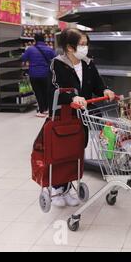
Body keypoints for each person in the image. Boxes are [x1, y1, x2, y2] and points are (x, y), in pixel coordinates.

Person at [49, 28, 115, 207]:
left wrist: (105, 90)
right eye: (82, 45)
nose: (85, 48)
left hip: (83, 116)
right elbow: (54, 89)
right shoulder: (57, 64)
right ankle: (56, 187)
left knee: (78, 150)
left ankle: (68, 186)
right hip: (64, 116)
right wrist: (71, 97)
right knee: (62, 151)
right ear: (70, 47)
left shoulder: (88, 63)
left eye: (86, 44)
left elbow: (97, 85)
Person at [21, 33, 56, 117]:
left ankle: (41, 110)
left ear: (35, 40)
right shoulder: (49, 49)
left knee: (38, 92)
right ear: (44, 40)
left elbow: (23, 59)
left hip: (34, 74)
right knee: (46, 92)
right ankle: (47, 109)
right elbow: (55, 59)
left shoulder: (30, 49)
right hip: (46, 74)